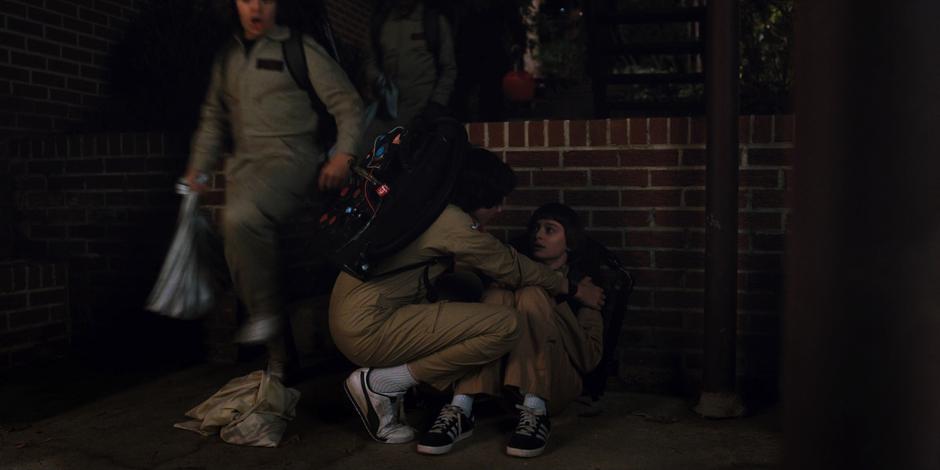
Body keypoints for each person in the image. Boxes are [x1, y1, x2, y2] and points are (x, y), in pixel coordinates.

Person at [329, 149, 604, 445]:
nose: (500, 210)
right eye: (496, 201)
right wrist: (573, 291)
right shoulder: (452, 223)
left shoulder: (428, 207)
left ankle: (470, 406)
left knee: (489, 296)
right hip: (369, 324)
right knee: (505, 324)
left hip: (353, 314)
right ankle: (384, 384)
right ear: (479, 196)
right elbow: (511, 266)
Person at [182, 0, 364, 370]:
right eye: (248, 0)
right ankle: (278, 350)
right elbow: (213, 120)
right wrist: (197, 170)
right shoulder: (228, 59)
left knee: (240, 219)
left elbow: (346, 102)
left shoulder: (298, 48)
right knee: (229, 241)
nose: (256, 8)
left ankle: (264, 317)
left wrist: (343, 155)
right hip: (245, 167)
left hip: (292, 158)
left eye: (264, 0)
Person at [416, 202, 606, 458]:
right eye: (537, 229)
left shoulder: (583, 284)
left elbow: (589, 358)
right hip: (504, 389)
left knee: (532, 293)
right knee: (498, 295)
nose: (538, 235)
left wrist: (557, 307)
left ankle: (536, 409)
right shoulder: (511, 280)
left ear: (569, 242)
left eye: (550, 230)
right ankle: (462, 407)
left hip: (556, 384)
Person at [362, 0, 457, 138]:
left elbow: (449, 69)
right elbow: (370, 60)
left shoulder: (434, 22)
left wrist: (436, 104)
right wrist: (377, 79)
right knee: (363, 152)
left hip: (421, 117)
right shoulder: (381, 22)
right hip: (386, 114)